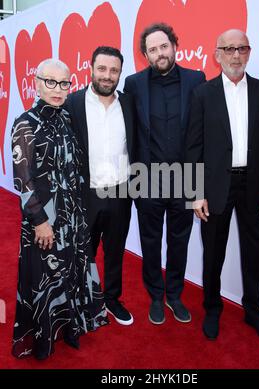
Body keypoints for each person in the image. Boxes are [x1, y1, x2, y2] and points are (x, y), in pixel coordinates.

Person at [186, 29, 259, 344]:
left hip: (254, 187)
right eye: (228, 49)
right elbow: (193, 148)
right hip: (214, 188)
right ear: (217, 54)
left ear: (249, 52)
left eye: (241, 48)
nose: (235, 55)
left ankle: (254, 312)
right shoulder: (202, 94)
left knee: (256, 253)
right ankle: (212, 309)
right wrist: (195, 193)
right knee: (213, 253)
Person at [11, 59, 108, 360]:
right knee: (45, 279)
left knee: (71, 274)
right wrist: (40, 222)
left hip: (72, 217)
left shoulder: (67, 117)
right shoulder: (25, 123)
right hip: (45, 221)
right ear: (37, 83)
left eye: (64, 83)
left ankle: (70, 329)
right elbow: (23, 181)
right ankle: (43, 340)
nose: (57, 89)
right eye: (50, 82)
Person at [124, 23, 206, 325]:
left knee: (179, 242)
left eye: (164, 46)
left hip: (186, 178)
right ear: (146, 55)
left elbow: (214, 113)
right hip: (148, 179)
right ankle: (156, 297)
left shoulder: (196, 79)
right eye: (153, 49)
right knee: (149, 241)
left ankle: (174, 295)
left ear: (175, 46)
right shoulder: (134, 84)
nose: (159, 53)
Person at [66, 46, 135, 326]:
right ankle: (83, 300)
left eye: (114, 70)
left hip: (120, 192)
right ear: (91, 69)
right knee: (84, 251)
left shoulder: (129, 103)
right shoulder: (72, 103)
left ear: (120, 72)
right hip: (86, 194)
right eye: (102, 69)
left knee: (115, 250)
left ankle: (111, 298)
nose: (108, 76)